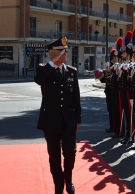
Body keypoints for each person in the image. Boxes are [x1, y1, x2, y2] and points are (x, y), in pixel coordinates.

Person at [34, 36, 81, 194]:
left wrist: (78, 119)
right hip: (50, 121)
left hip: (68, 120)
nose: (66, 53)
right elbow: (38, 80)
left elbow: (76, 99)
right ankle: (59, 184)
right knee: (54, 157)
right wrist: (52, 64)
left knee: (70, 154)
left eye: (66, 51)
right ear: (52, 54)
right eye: (62, 51)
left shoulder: (72, 72)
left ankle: (69, 179)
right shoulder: (44, 70)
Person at [118, 31, 135, 144]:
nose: (122, 55)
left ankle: (131, 135)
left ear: (128, 54)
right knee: (125, 113)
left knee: (129, 114)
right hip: (123, 91)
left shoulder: (131, 65)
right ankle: (127, 134)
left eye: (123, 53)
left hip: (128, 92)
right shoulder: (123, 64)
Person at [110, 37, 125, 138]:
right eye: (114, 58)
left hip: (119, 91)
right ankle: (116, 129)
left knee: (119, 112)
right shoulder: (115, 67)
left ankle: (120, 131)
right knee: (115, 111)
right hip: (113, 91)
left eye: (116, 58)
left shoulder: (121, 67)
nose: (114, 60)